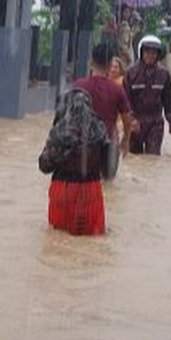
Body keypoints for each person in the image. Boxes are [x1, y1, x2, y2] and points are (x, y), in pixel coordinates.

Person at [38, 88, 111, 236]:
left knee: (58, 241)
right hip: (91, 191)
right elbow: (109, 169)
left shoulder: (61, 130)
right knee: (93, 239)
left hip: (63, 191)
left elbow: (44, 166)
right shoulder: (100, 129)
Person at [75, 42, 132, 174]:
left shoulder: (79, 86)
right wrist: (126, 139)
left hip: (83, 144)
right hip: (109, 145)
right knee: (109, 187)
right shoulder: (117, 90)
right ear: (110, 63)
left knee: (85, 184)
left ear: (92, 62)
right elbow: (127, 120)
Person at [124, 34, 171, 156]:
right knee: (134, 159)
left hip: (155, 122)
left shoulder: (163, 74)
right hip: (136, 120)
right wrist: (131, 120)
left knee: (152, 158)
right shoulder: (131, 73)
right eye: (147, 52)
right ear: (141, 52)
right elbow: (126, 99)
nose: (150, 56)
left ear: (158, 55)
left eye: (154, 53)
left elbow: (168, 99)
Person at [117, 4, 134, 68]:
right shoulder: (125, 26)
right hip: (125, 59)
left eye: (129, 12)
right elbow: (123, 45)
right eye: (126, 12)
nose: (128, 14)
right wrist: (129, 57)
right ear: (122, 13)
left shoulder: (126, 25)